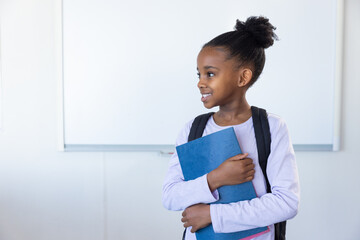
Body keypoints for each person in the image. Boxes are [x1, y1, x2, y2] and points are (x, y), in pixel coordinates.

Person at [162, 16, 300, 240]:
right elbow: (170, 197)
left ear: (243, 77)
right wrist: (216, 178)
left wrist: (212, 214)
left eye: (210, 73)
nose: (200, 82)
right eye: (199, 74)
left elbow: (286, 202)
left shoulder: (271, 127)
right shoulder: (192, 129)